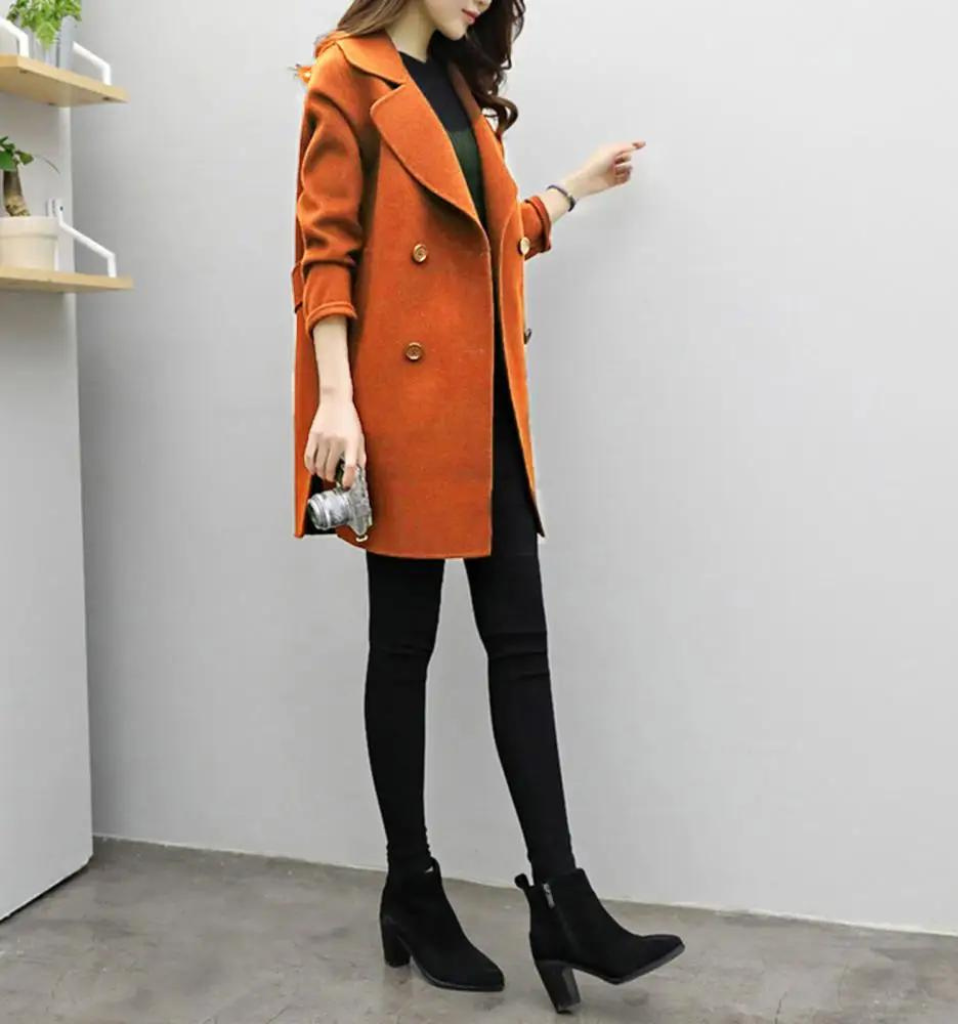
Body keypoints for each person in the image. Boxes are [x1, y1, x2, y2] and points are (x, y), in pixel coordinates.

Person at [292, 0, 682, 1011]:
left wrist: (572, 189)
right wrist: (336, 400)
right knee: (402, 648)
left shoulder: (461, 87)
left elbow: (488, 235)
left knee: (521, 647)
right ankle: (412, 887)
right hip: (400, 410)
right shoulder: (348, 74)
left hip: (489, 406)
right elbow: (324, 250)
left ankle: (563, 900)